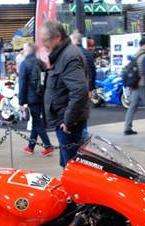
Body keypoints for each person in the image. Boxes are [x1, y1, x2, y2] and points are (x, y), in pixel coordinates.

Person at [41, 21, 89, 168]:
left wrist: (68, 120)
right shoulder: (63, 55)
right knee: (68, 165)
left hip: (68, 125)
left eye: (45, 40)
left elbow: (79, 91)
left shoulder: (69, 56)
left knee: (73, 167)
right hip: (64, 121)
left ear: (57, 37)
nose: (43, 44)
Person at [18, 42, 54, 156]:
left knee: (37, 122)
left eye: (24, 49)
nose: (23, 51)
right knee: (36, 120)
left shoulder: (24, 64)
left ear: (27, 50)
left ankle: (48, 145)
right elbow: (45, 80)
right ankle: (30, 147)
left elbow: (22, 83)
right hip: (41, 95)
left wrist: (21, 101)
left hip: (31, 97)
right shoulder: (41, 63)